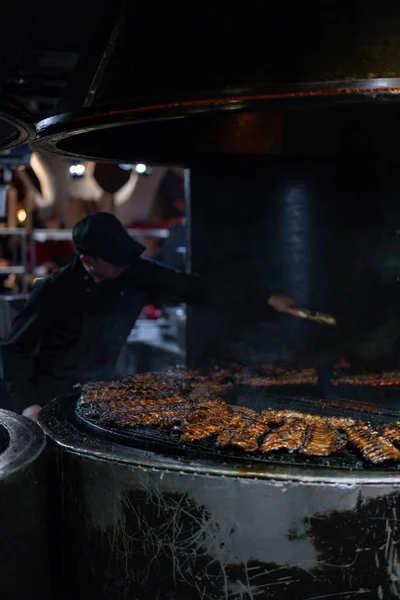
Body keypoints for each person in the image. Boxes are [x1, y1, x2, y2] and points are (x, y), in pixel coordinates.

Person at [0, 213, 298, 420]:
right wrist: (28, 405)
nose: (125, 265)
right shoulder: (54, 290)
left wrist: (264, 299)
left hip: (100, 392)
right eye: (116, 261)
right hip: (48, 398)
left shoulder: (135, 273)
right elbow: (15, 349)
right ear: (87, 260)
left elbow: (196, 288)